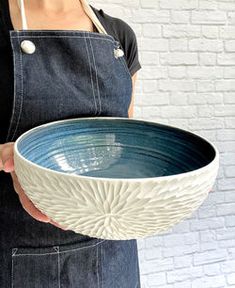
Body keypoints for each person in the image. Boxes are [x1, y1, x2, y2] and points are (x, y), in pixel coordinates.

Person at [0, 0, 142, 286]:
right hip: (18, 254)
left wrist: (173, 184)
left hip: (113, 253)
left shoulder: (119, 36)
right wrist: (8, 157)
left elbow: (128, 141)